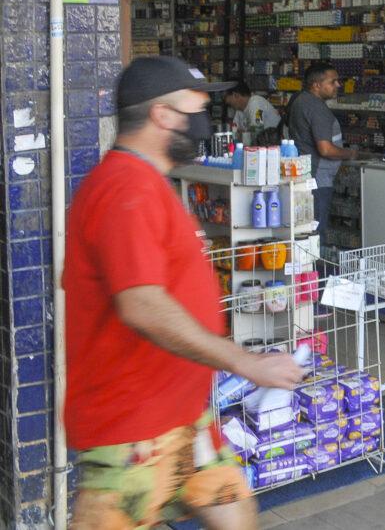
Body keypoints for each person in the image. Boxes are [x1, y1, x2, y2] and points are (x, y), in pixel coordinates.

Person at [65, 56, 303, 530]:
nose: (204, 121)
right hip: (132, 431)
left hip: (183, 419)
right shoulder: (124, 189)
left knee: (235, 512)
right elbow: (142, 304)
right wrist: (244, 361)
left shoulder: (146, 185)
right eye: (196, 108)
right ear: (163, 116)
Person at [286, 62, 358, 235]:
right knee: (315, 231)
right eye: (333, 82)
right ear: (317, 85)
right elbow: (325, 149)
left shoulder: (300, 100)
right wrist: (350, 153)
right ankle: (313, 262)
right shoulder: (317, 109)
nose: (338, 85)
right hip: (318, 179)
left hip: (305, 174)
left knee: (305, 229)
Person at [224, 80, 280, 146]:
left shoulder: (256, 103)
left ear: (235, 95)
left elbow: (257, 130)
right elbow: (235, 133)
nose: (225, 101)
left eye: (226, 96)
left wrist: (244, 133)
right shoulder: (239, 110)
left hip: (272, 146)